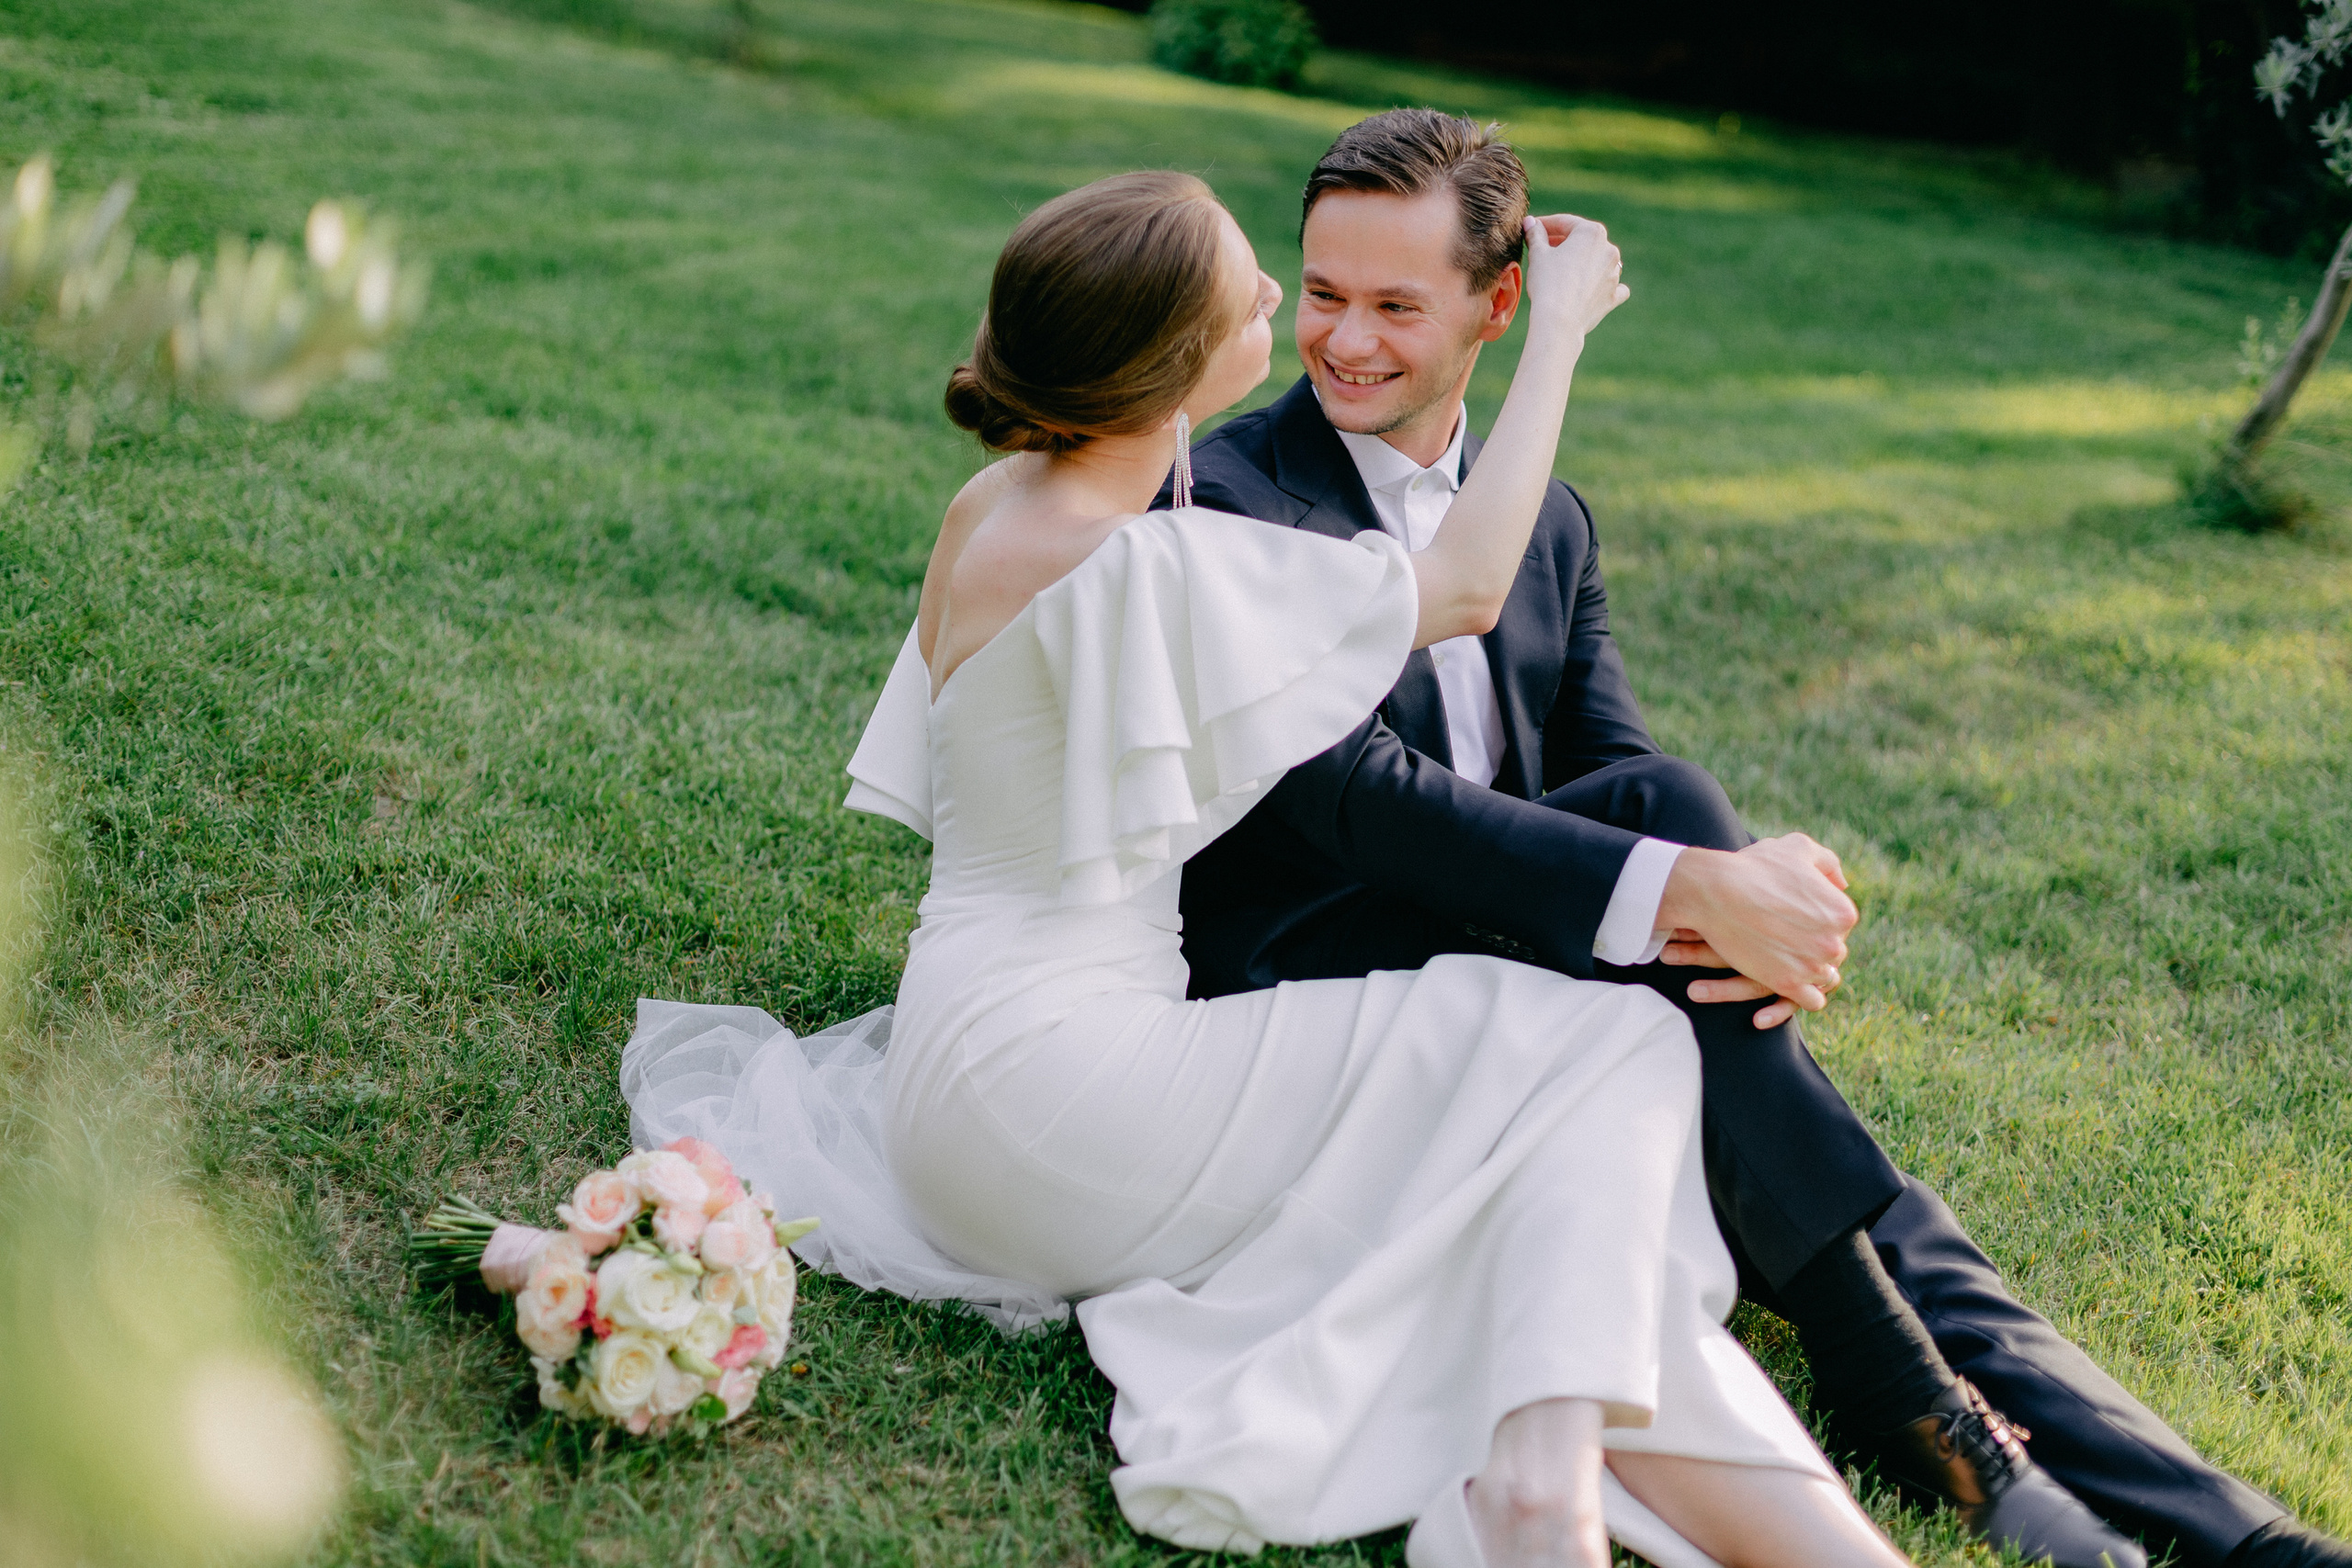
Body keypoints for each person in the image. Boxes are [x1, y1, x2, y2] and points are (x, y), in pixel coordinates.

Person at [629, 168, 1917, 1568]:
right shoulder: (1165, 564)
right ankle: (1542, 1478)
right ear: (1182, 367)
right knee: (1618, 1048)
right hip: (1069, 1100)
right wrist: (1555, 335)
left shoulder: (995, 506)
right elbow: (1471, 584)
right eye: (1257, 288)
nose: (1275, 303)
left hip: (945, 1081)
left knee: (1494, 1170)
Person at [1166, 107, 2348, 1568]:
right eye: (1327, 295)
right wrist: (1697, 883)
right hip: (1319, 989)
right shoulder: (1233, 496)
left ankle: (2249, 1542)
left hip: (1523, 962)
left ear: (1497, 305)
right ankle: (1899, 1393)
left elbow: (1604, 764)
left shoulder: (1549, 522)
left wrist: (1731, 879)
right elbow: (1355, 803)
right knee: (1689, 865)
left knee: (1881, 1205)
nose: (1345, 340)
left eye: (1395, 305)